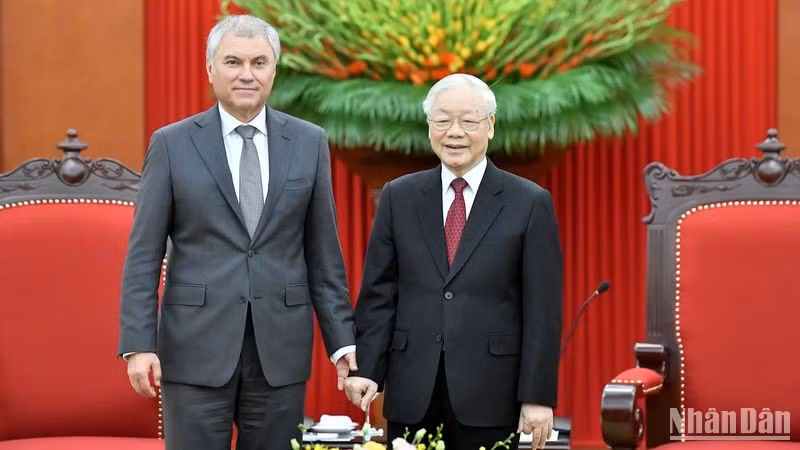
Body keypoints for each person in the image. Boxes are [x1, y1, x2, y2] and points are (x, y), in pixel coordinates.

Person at [117, 14, 357, 450]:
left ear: (274, 70)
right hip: (195, 349)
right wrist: (137, 344)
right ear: (210, 70)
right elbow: (143, 254)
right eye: (233, 62)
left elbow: (324, 256)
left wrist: (342, 345)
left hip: (279, 352)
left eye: (259, 63)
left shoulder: (308, 142)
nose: (247, 74)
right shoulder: (172, 144)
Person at [344, 73, 563, 450]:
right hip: (413, 392)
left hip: (492, 394)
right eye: (442, 120)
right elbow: (379, 295)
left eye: (469, 121)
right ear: (430, 127)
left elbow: (542, 311)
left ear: (490, 126)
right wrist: (368, 370)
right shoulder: (400, 197)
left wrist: (537, 396)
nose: (455, 132)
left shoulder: (529, 202)